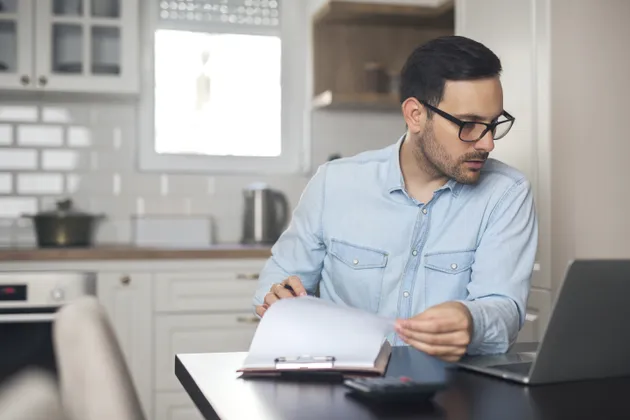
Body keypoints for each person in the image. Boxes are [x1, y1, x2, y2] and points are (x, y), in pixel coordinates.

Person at [251, 35, 538, 362]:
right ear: (415, 115)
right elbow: (276, 282)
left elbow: (504, 309)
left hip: (452, 393)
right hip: (341, 385)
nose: (487, 143)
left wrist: (472, 322)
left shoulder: (507, 193)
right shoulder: (334, 183)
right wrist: (278, 298)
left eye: (493, 124)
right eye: (469, 125)